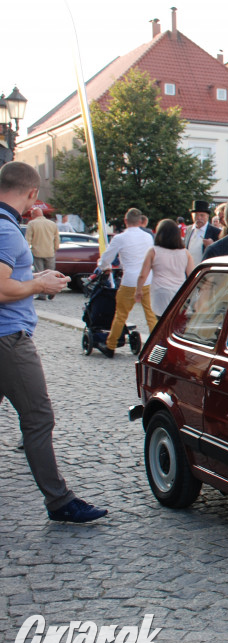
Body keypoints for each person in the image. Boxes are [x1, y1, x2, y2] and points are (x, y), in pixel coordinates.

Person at [0, 162, 107, 522]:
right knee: (38, 418)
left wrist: (33, 276)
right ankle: (60, 501)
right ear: (32, 194)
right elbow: (1, 287)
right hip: (8, 340)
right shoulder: (7, 229)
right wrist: (39, 285)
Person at [97, 207, 159, 358]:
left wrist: (102, 267)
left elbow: (107, 258)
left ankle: (110, 346)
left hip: (130, 280)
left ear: (125, 221)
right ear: (140, 221)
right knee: (150, 314)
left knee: (121, 314)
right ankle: (155, 346)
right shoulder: (147, 237)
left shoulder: (120, 238)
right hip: (147, 279)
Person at [135, 219, 193, 315]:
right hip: (180, 291)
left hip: (160, 291)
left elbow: (143, 275)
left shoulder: (153, 251)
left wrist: (138, 290)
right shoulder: (186, 253)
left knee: (160, 321)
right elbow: (191, 275)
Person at [24, 207, 59, 300]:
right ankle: (53, 290)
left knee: (40, 273)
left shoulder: (32, 224)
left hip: (37, 252)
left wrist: (26, 251)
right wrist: (55, 249)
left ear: (34, 214)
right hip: (50, 252)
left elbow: (28, 239)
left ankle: (42, 295)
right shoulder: (52, 224)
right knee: (52, 273)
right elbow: (57, 239)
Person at [183, 200, 218, 270]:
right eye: (196, 215)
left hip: (205, 271)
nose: (199, 218)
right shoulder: (188, 230)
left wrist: (211, 245)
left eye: (202, 215)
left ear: (207, 216)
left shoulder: (215, 232)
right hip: (189, 270)